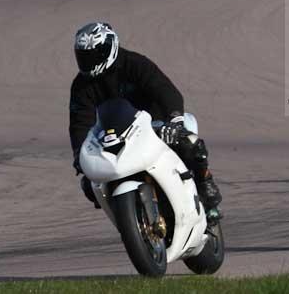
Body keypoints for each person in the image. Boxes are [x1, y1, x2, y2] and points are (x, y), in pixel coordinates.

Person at [68, 22, 222, 217]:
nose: (89, 62)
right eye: (84, 57)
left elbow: (166, 90)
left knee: (188, 143)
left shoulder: (134, 63)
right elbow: (80, 121)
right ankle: (130, 218)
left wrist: (174, 121)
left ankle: (205, 183)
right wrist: (78, 153)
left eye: (94, 55)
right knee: (90, 185)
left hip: (153, 123)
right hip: (112, 134)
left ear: (109, 49)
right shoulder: (81, 85)